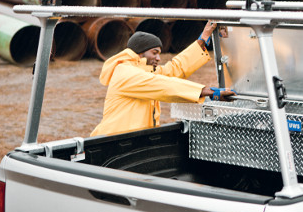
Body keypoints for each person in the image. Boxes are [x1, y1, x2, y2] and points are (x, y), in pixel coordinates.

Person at [90, 21, 235, 136]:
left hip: (132, 140)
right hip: (111, 141)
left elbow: (173, 70)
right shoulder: (125, 73)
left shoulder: (145, 72)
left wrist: (203, 39)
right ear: (140, 52)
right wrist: (209, 92)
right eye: (155, 53)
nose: (159, 58)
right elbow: (164, 85)